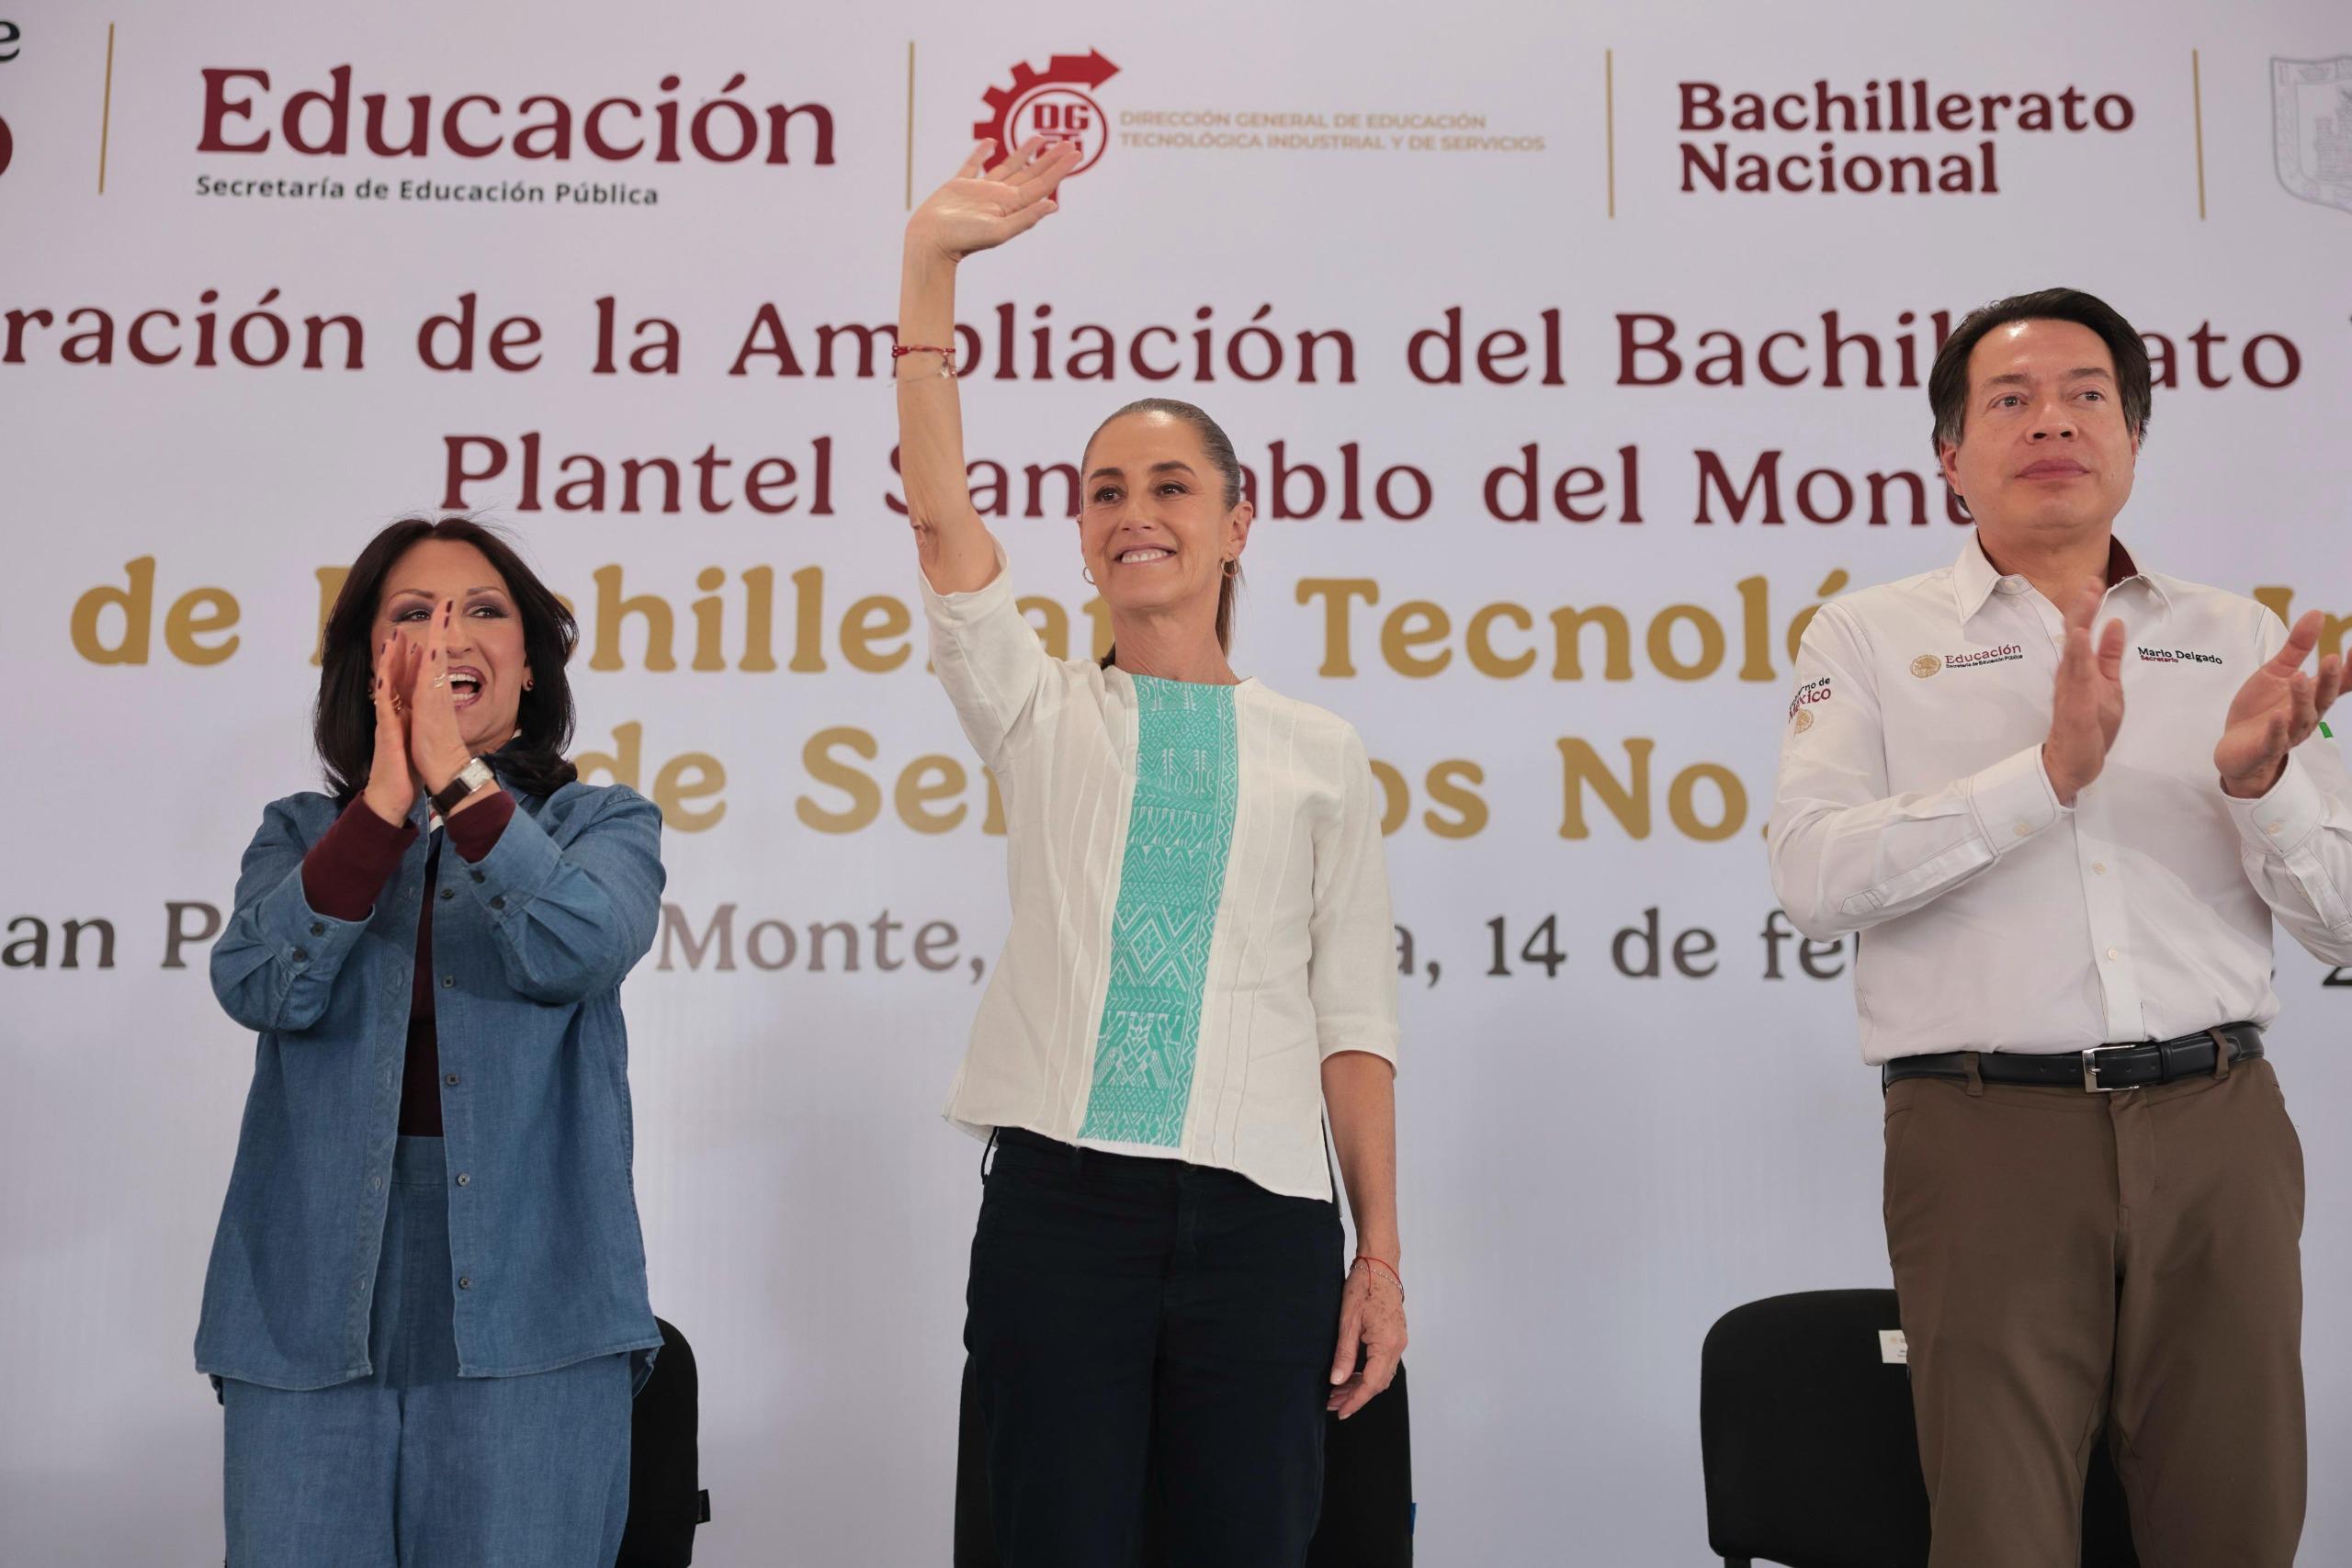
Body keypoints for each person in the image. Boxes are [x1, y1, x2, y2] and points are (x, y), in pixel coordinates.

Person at [1768, 287, 2349, 1567]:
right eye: (2012, 400)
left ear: (2133, 439)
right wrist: (2044, 777)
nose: (2053, 422)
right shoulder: (1867, 635)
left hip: (2219, 1124)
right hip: (1984, 1128)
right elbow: (1814, 876)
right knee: (2003, 1530)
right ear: (1949, 456)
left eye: (2088, 396)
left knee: (2238, 1517)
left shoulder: (2237, 636)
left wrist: (2267, 787)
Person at [897, 137, 1408, 1567]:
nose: (1136, 513)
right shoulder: (1040, 706)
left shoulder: (1322, 749)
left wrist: (1377, 1248)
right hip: (1062, 1213)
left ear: (1239, 521)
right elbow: (940, 518)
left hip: (1266, 1226)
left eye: (1173, 486)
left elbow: (1354, 1022)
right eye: (1106, 491)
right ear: (1080, 538)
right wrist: (928, 271)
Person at [195, 515, 668, 1567]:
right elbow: (259, 983)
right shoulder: (300, 833)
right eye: (414, 614)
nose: (448, 635)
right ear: (368, 665)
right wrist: (383, 802)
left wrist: (458, 780)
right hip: (305, 1302)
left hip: (538, 1298)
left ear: (529, 667)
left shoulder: (600, 824)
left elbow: (579, 946)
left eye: (482, 611)